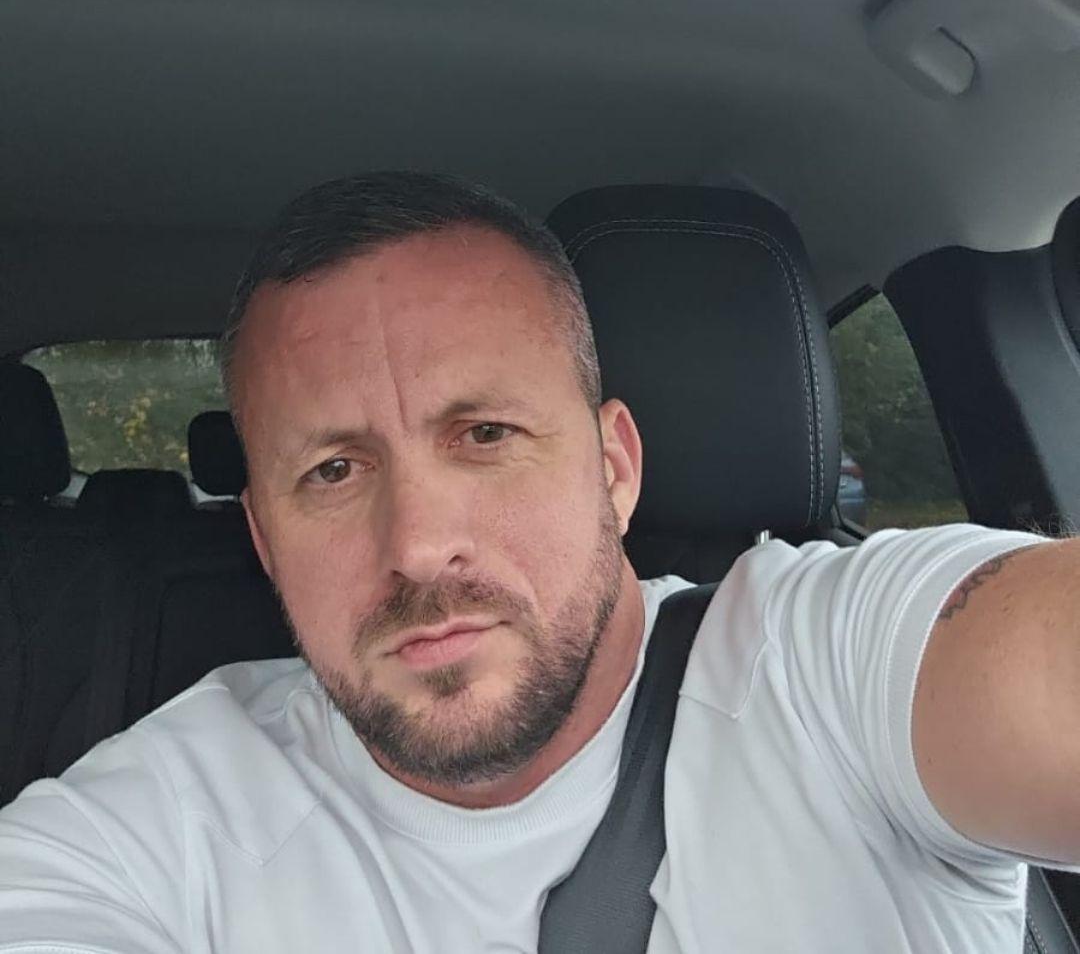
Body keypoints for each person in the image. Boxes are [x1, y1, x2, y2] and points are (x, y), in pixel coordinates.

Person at [0, 170, 1078, 953]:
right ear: (264, 541)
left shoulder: (834, 668)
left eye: (485, 435)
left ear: (614, 468)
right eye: (333, 470)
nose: (417, 546)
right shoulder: (163, 818)